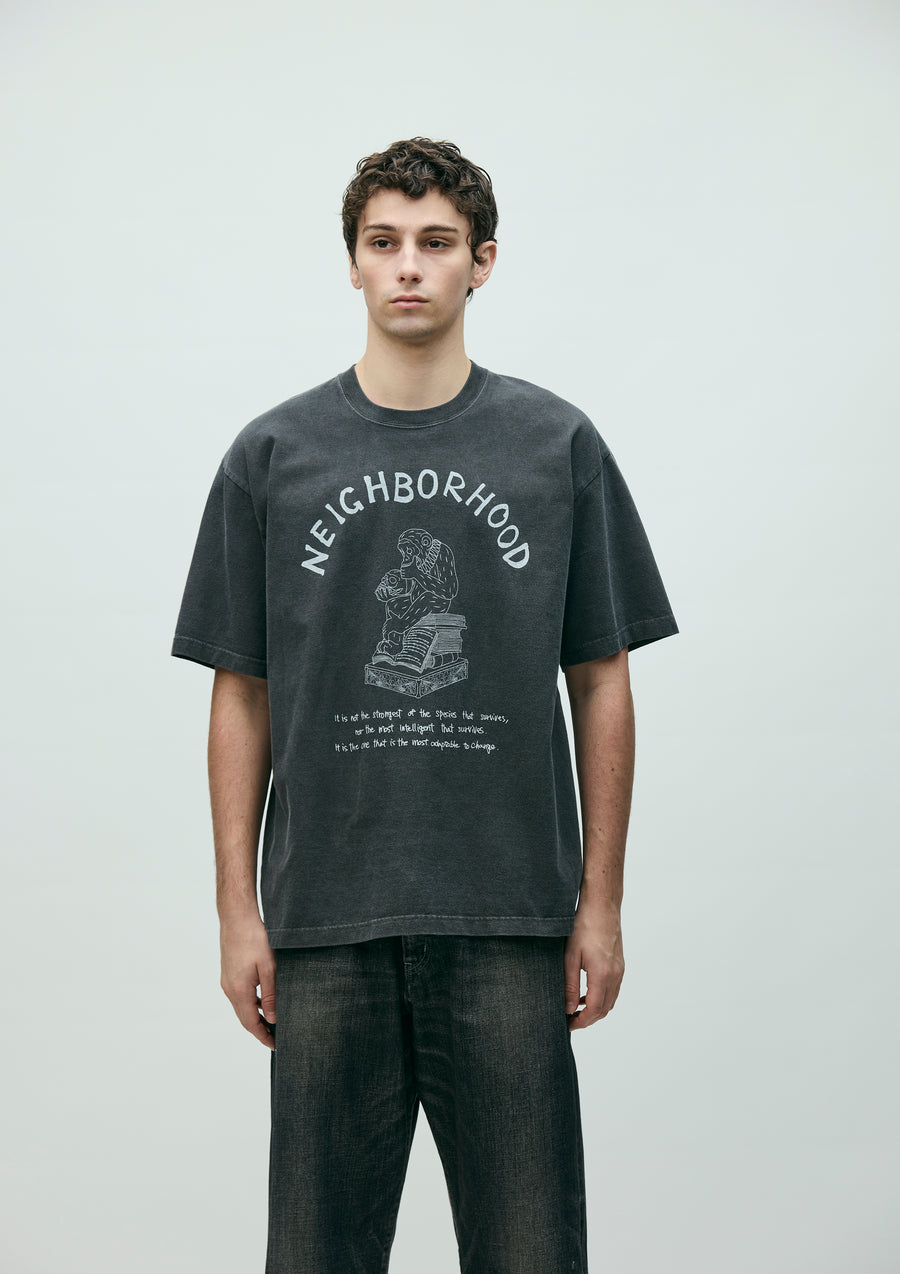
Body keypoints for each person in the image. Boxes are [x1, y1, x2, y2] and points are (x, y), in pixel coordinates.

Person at [171, 137, 678, 1273]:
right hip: (324, 925)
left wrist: (599, 906)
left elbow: (602, 678)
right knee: (316, 1253)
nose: (409, 265)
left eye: (437, 243)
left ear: (481, 262)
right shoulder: (272, 454)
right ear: (352, 262)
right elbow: (240, 692)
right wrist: (239, 912)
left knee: (530, 1251)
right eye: (384, 242)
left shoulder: (556, 445)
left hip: (510, 920)